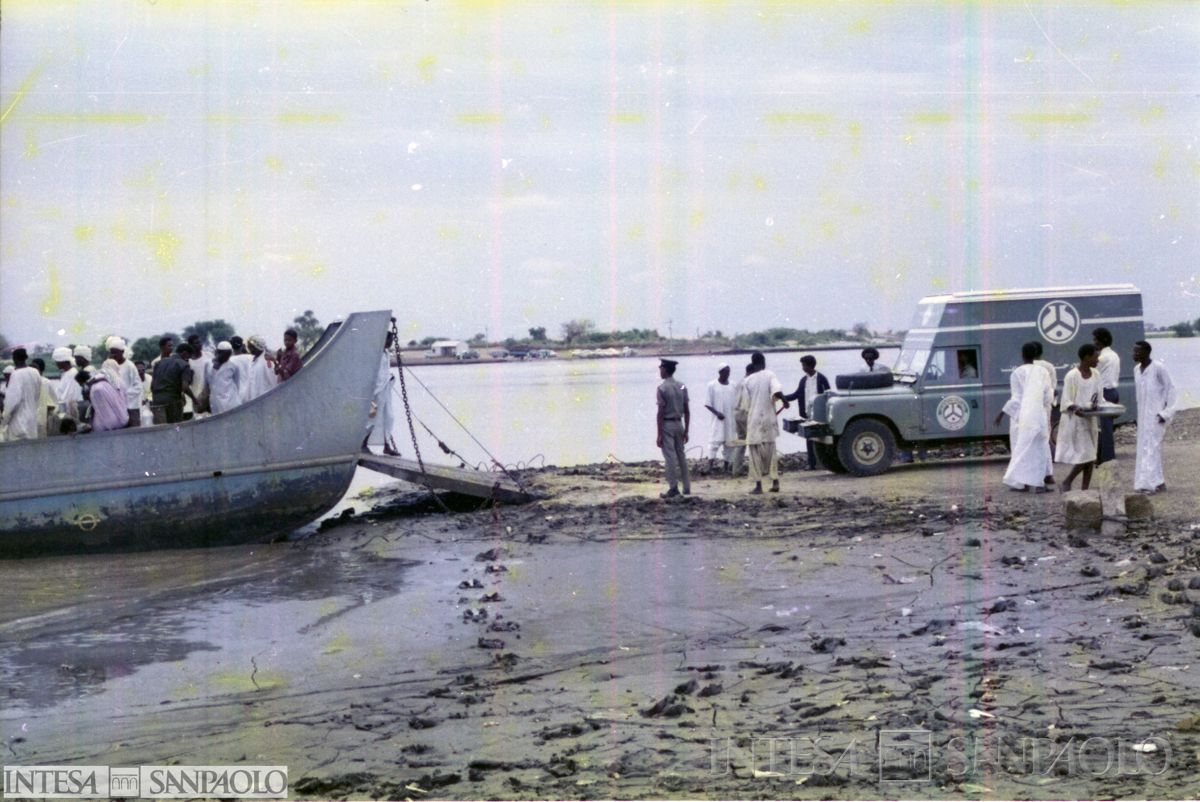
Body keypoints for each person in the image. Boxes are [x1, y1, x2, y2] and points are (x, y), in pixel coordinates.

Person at [995, 343, 1053, 492]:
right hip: (1039, 415)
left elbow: (1016, 399)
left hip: (1022, 416)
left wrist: (1002, 414)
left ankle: (1022, 483)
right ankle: (1038, 483)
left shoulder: (1016, 373)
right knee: (1039, 448)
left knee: (1022, 448)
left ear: (1022, 355)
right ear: (1036, 355)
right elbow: (1048, 396)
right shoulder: (1043, 372)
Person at [737, 351, 788, 493]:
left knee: (754, 453)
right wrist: (784, 400)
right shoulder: (770, 374)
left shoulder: (747, 381)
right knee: (771, 451)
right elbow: (777, 390)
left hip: (754, 420)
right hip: (769, 419)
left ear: (753, 364)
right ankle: (775, 482)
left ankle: (758, 485)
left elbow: (745, 406)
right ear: (764, 362)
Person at [1131, 341, 1177, 494]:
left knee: (1151, 448)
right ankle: (1158, 482)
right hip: (1143, 418)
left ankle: (1148, 485)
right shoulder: (1137, 370)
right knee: (1145, 449)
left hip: (1156, 417)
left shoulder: (1158, 368)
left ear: (1146, 352)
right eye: (1134, 351)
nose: (1134, 354)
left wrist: (1166, 413)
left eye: (1137, 351)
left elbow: (1171, 390)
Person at [1056, 343, 1102, 491]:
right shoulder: (1072, 375)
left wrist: (1098, 407)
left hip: (1090, 419)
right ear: (1087, 357)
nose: (1098, 360)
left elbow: (1098, 398)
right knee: (1087, 454)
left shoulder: (1096, 374)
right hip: (1075, 421)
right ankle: (1067, 481)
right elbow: (1067, 400)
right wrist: (1076, 409)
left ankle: (1085, 489)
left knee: (1090, 456)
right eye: (1096, 357)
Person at [783, 354, 830, 470]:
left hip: (820, 414)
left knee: (821, 439)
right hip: (807, 414)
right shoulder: (803, 380)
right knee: (809, 439)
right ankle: (812, 464)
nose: (802, 368)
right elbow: (796, 395)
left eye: (803, 365)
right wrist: (782, 398)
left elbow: (828, 395)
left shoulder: (822, 378)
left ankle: (823, 463)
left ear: (810, 366)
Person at [655, 358, 691, 498]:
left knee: (670, 457)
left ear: (665, 369)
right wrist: (686, 429)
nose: (660, 370)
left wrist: (659, 434)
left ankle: (673, 487)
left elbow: (660, 413)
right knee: (681, 456)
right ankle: (686, 487)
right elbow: (687, 410)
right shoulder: (682, 386)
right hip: (679, 424)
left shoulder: (662, 388)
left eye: (661, 368)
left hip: (667, 424)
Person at [364, 333, 401, 456]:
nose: (390, 343)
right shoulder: (375, 353)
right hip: (376, 390)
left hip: (386, 388)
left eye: (391, 340)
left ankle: (386, 445)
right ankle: (362, 444)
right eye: (388, 340)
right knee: (372, 417)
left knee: (389, 417)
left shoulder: (386, 353)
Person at [1031, 341, 1058, 485]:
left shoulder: (1026, 368)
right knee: (1045, 439)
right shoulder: (1048, 366)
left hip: (1031, 408)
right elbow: (1053, 389)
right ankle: (1048, 474)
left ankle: (1038, 474)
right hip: (1045, 407)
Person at [1, 349, 42, 441]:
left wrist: (4, 419)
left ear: (14, 359)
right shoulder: (35, 372)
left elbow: (12, 401)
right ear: (26, 358)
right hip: (32, 419)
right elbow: (37, 394)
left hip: (19, 421)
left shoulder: (16, 375)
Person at [1093, 327, 1120, 465]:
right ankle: (1101, 457)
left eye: (1095, 340)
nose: (1094, 343)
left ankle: (1107, 458)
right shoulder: (1114, 355)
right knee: (1106, 427)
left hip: (1105, 393)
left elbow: (1093, 373)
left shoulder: (1101, 358)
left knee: (1105, 428)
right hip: (1113, 391)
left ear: (1101, 341)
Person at [101, 337, 143, 427]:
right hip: (116, 408)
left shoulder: (130, 366)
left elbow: (138, 387)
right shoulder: (109, 367)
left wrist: (123, 395)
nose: (113, 355)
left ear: (122, 352)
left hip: (131, 407)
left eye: (115, 352)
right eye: (111, 352)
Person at [703, 363, 736, 471]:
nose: (728, 374)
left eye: (729, 371)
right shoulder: (712, 385)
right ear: (720, 372)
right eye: (726, 371)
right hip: (717, 420)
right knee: (713, 442)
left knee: (729, 444)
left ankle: (726, 467)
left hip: (730, 420)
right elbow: (707, 403)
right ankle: (710, 465)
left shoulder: (733, 385)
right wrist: (717, 413)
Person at [150, 343, 192, 424]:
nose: (187, 360)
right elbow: (185, 387)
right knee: (176, 427)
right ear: (184, 353)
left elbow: (152, 386)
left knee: (161, 428)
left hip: (157, 401)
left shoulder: (158, 363)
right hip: (173, 401)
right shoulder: (184, 365)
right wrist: (195, 400)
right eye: (187, 358)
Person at [729, 362, 756, 477]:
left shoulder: (739, 382)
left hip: (737, 414)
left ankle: (736, 469)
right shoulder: (750, 383)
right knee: (754, 441)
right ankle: (756, 469)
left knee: (741, 441)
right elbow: (748, 402)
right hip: (746, 414)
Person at [209, 341, 246, 415]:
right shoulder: (209, 365)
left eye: (228, 355)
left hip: (231, 401)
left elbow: (237, 383)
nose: (227, 357)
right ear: (218, 352)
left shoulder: (233, 365)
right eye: (225, 354)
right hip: (215, 401)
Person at [184, 334, 212, 417]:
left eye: (200, 342)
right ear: (190, 345)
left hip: (210, 395)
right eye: (196, 343)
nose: (200, 344)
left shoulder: (209, 356)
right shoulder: (188, 362)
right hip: (197, 397)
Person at [52, 346, 81, 422]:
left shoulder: (72, 374)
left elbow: (68, 398)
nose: (56, 364)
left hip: (68, 415)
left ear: (63, 361)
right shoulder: (65, 373)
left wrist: (60, 413)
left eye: (57, 362)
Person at [245, 335, 278, 401]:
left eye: (251, 346)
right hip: (254, 400)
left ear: (257, 347)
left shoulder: (267, 360)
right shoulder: (252, 361)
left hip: (265, 400)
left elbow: (272, 381)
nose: (249, 348)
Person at [72, 345, 94, 422]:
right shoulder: (84, 370)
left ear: (83, 358)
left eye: (77, 358)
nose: (75, 360)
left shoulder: (89, 370)